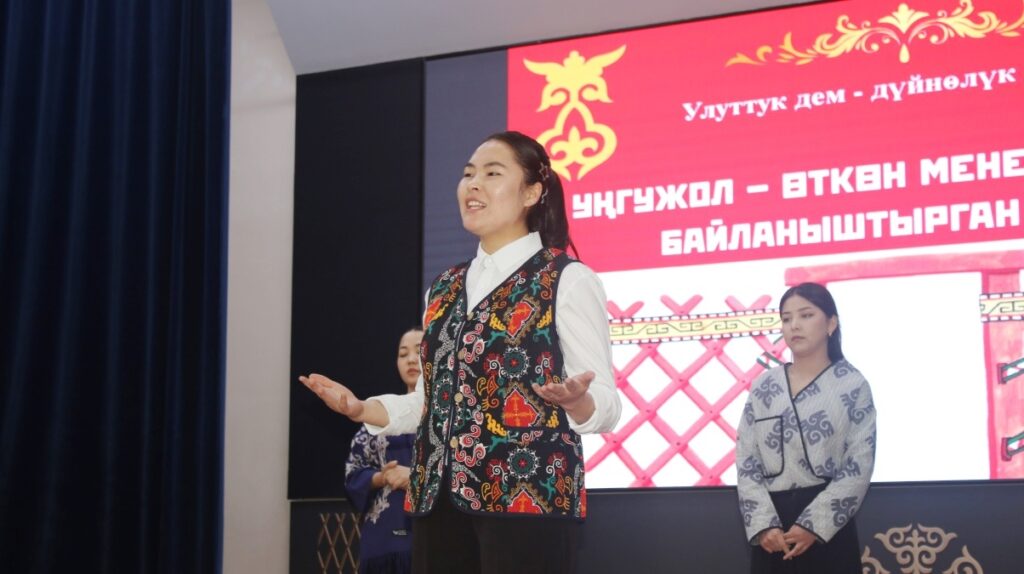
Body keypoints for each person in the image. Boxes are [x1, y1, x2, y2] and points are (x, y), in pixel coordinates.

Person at [301, 130, 621, 573]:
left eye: (492, 174)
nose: (473, 185)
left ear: (532, 192)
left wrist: (577, 401)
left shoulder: (566, 278)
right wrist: (361, 408)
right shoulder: (443, 288)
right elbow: (430, 402)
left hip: (526, 503)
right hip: (438, 504)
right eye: (468, 174)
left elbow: (606, 403)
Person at [736, 282, 877, 574]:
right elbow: (746, 460)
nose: (794, 326)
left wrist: (813, 525)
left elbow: (859, 465)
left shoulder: (853, 384)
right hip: (772, 531)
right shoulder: (764, 386)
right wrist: (764, 525)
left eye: (806, 315)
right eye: (786, 319)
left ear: (831, 323)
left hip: (828, 529)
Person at [334, 328, 423, 574]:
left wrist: (415, 477)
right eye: (403, 354)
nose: (411, 360)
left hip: (435, 535)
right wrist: (381, 477)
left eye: (419, 351)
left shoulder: (450, 422)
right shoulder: (377, 421)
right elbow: (353, 474)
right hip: (385, 539)